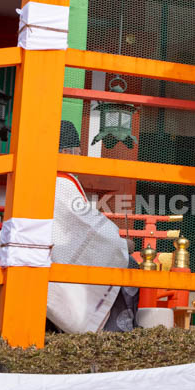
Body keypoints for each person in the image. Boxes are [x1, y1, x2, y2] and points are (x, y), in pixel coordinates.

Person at [43, 121, 131, 332]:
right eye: (78, 151)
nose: (80, 155)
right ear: (66, 152)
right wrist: (120, 242)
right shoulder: (62, 182)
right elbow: (89, 227)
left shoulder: (45, 178)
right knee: (126, 264)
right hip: (58, 261)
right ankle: (117, 331)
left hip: (48, 256)